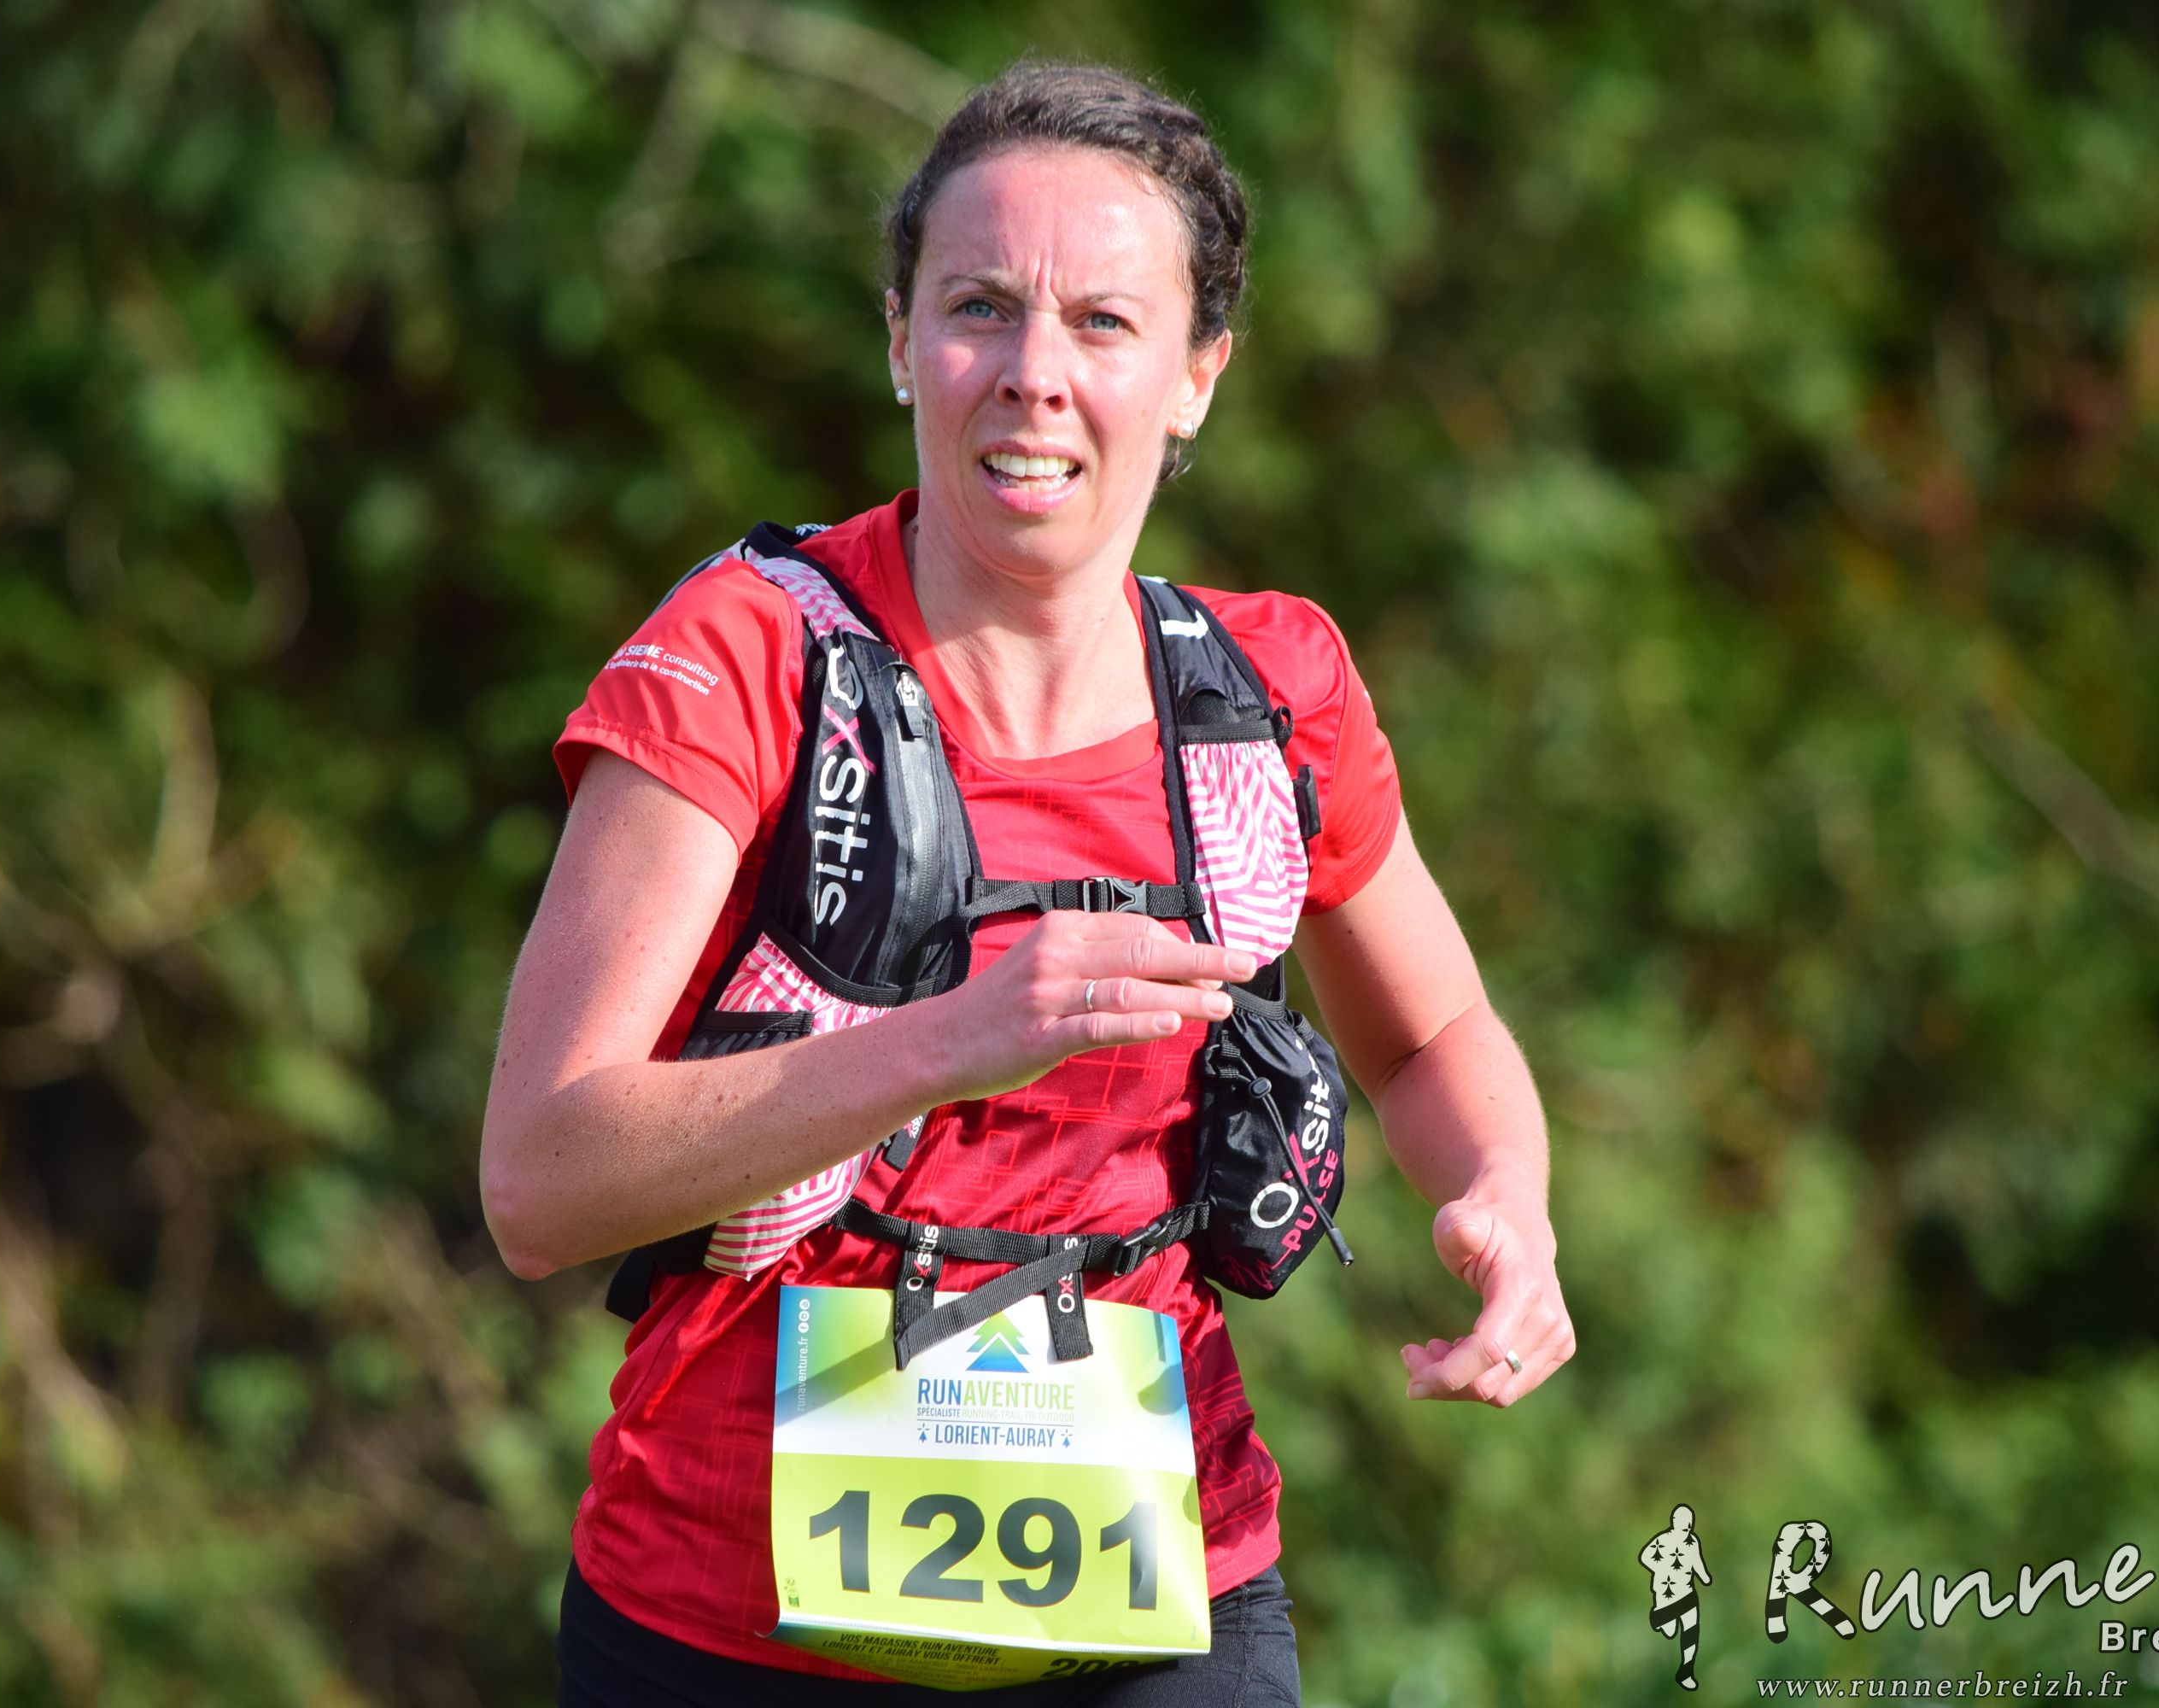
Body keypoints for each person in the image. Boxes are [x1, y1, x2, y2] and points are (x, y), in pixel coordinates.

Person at [480, 59, 1572, 1706]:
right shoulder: (747, 658)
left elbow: (1429, 1040)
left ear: (1198, 376)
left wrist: (1508, 1199)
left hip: (1161, 1593)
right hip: (724, 1624)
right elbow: (538, 1183)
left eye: (1104, 324)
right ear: (900, 339)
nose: (1033, 376)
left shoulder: (1271, 693)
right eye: (979, 308)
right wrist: (945, 1041)